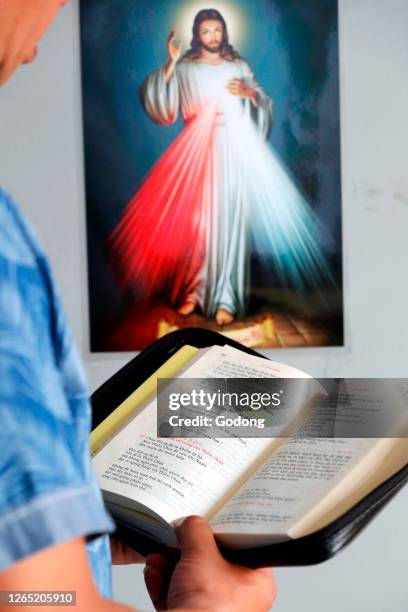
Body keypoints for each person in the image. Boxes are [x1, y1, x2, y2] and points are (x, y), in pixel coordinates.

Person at [0, 2, 276, 610]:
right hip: (198, 159)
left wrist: (82, 537)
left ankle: (223, 295)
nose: (37, 47)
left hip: (231, 159)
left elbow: (32, 594)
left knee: (226, 236)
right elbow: (40, 604)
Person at [110, 8, 332, 327]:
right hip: (197, 150)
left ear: (224, 32)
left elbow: (262, 102)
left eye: (217, 30)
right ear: (197, 35)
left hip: (233, 148)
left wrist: (250, 93)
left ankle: (226, 297)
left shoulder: (238, 66)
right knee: (200, 226)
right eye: (206, 31)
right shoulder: (185, 68)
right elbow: (162, 107)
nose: (212, 37)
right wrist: (171, 62)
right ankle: (195, 292)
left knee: (228, 223)